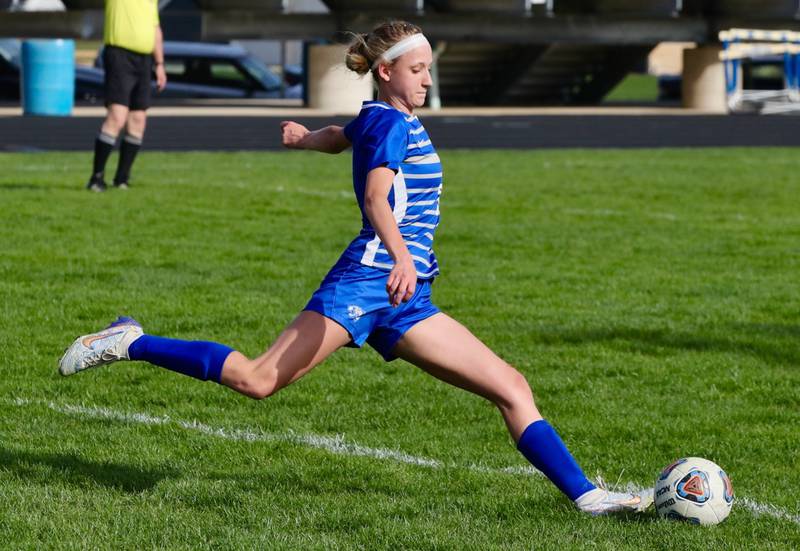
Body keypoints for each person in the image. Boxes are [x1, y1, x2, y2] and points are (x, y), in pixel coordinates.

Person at [59, 21, 653, 516]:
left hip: (404, 296)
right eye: (417, 70)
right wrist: (400, 257)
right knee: (258, 379)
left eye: (429, 70)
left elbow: (342, 135)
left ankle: (588, 498)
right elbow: (375, 198)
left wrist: (303, 139)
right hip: (371, 279)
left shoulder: (378, 117)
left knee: (510, 386)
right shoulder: (392, 123)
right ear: (387, 71)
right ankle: (130, 341)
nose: (427, 79)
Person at [85, 0, 167, 192]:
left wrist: (160, 64)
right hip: (120, 55)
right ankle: (96, 178)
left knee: (138, 120)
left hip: (144, 60)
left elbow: (155, 29)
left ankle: (121, 179)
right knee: (117, 116)